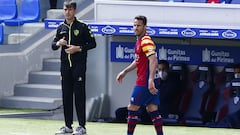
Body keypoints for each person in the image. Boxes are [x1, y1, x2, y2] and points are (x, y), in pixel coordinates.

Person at [51, 1, 96, 135]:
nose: (67, 12)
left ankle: (82, 126)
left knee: (79, 96)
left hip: (79, 67)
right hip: (65, 67)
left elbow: (93, 43)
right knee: (66, 96)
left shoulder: (82, 26)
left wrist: (79, 48)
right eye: (65, 9)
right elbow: (53, 45)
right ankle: (68, 126)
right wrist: (59, 43)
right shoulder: (61, 27)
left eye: (70, 9)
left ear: (75, 10)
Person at [116, 15, 163, 135]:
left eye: (139, 25)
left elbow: (153, 60)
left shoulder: (146, 41)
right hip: (149, 80)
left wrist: (150, 79)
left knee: (132, 107)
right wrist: (125, 71)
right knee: (152, 108)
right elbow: (138, 61)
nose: (136, 28)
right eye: (134, 25)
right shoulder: (139, 41)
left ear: (145, 27)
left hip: (145, 81)